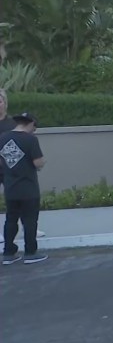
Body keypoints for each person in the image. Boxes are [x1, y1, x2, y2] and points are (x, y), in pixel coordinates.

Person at [1, 112, 47, 265]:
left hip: (10, 187)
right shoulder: (31, 140)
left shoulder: (2, 138)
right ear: (30, 124)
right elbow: (38, 163)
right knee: (29, 221)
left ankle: (8, 253)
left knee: (11, 219)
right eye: (34, 127)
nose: (34, 130)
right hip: (28, 187)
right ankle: (30, 252)